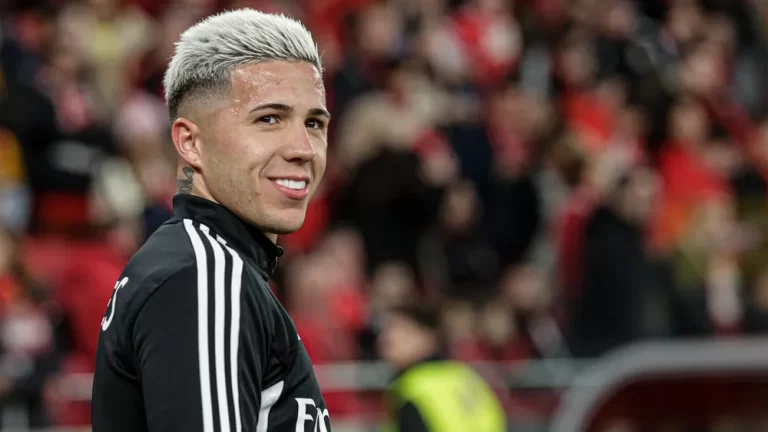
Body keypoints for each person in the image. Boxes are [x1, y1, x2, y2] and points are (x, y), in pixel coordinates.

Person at [92, 9, 332, 432]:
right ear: (190, 143)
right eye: (269, 119)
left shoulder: (201, 265)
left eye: (314, 123)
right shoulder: (204, 276)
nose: (304, 148)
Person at [378, 304, 506, 432]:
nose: (386, 338)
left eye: (399, 329)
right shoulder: (465, 376)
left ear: (427, 336)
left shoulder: (412, 388)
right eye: (385, 329)